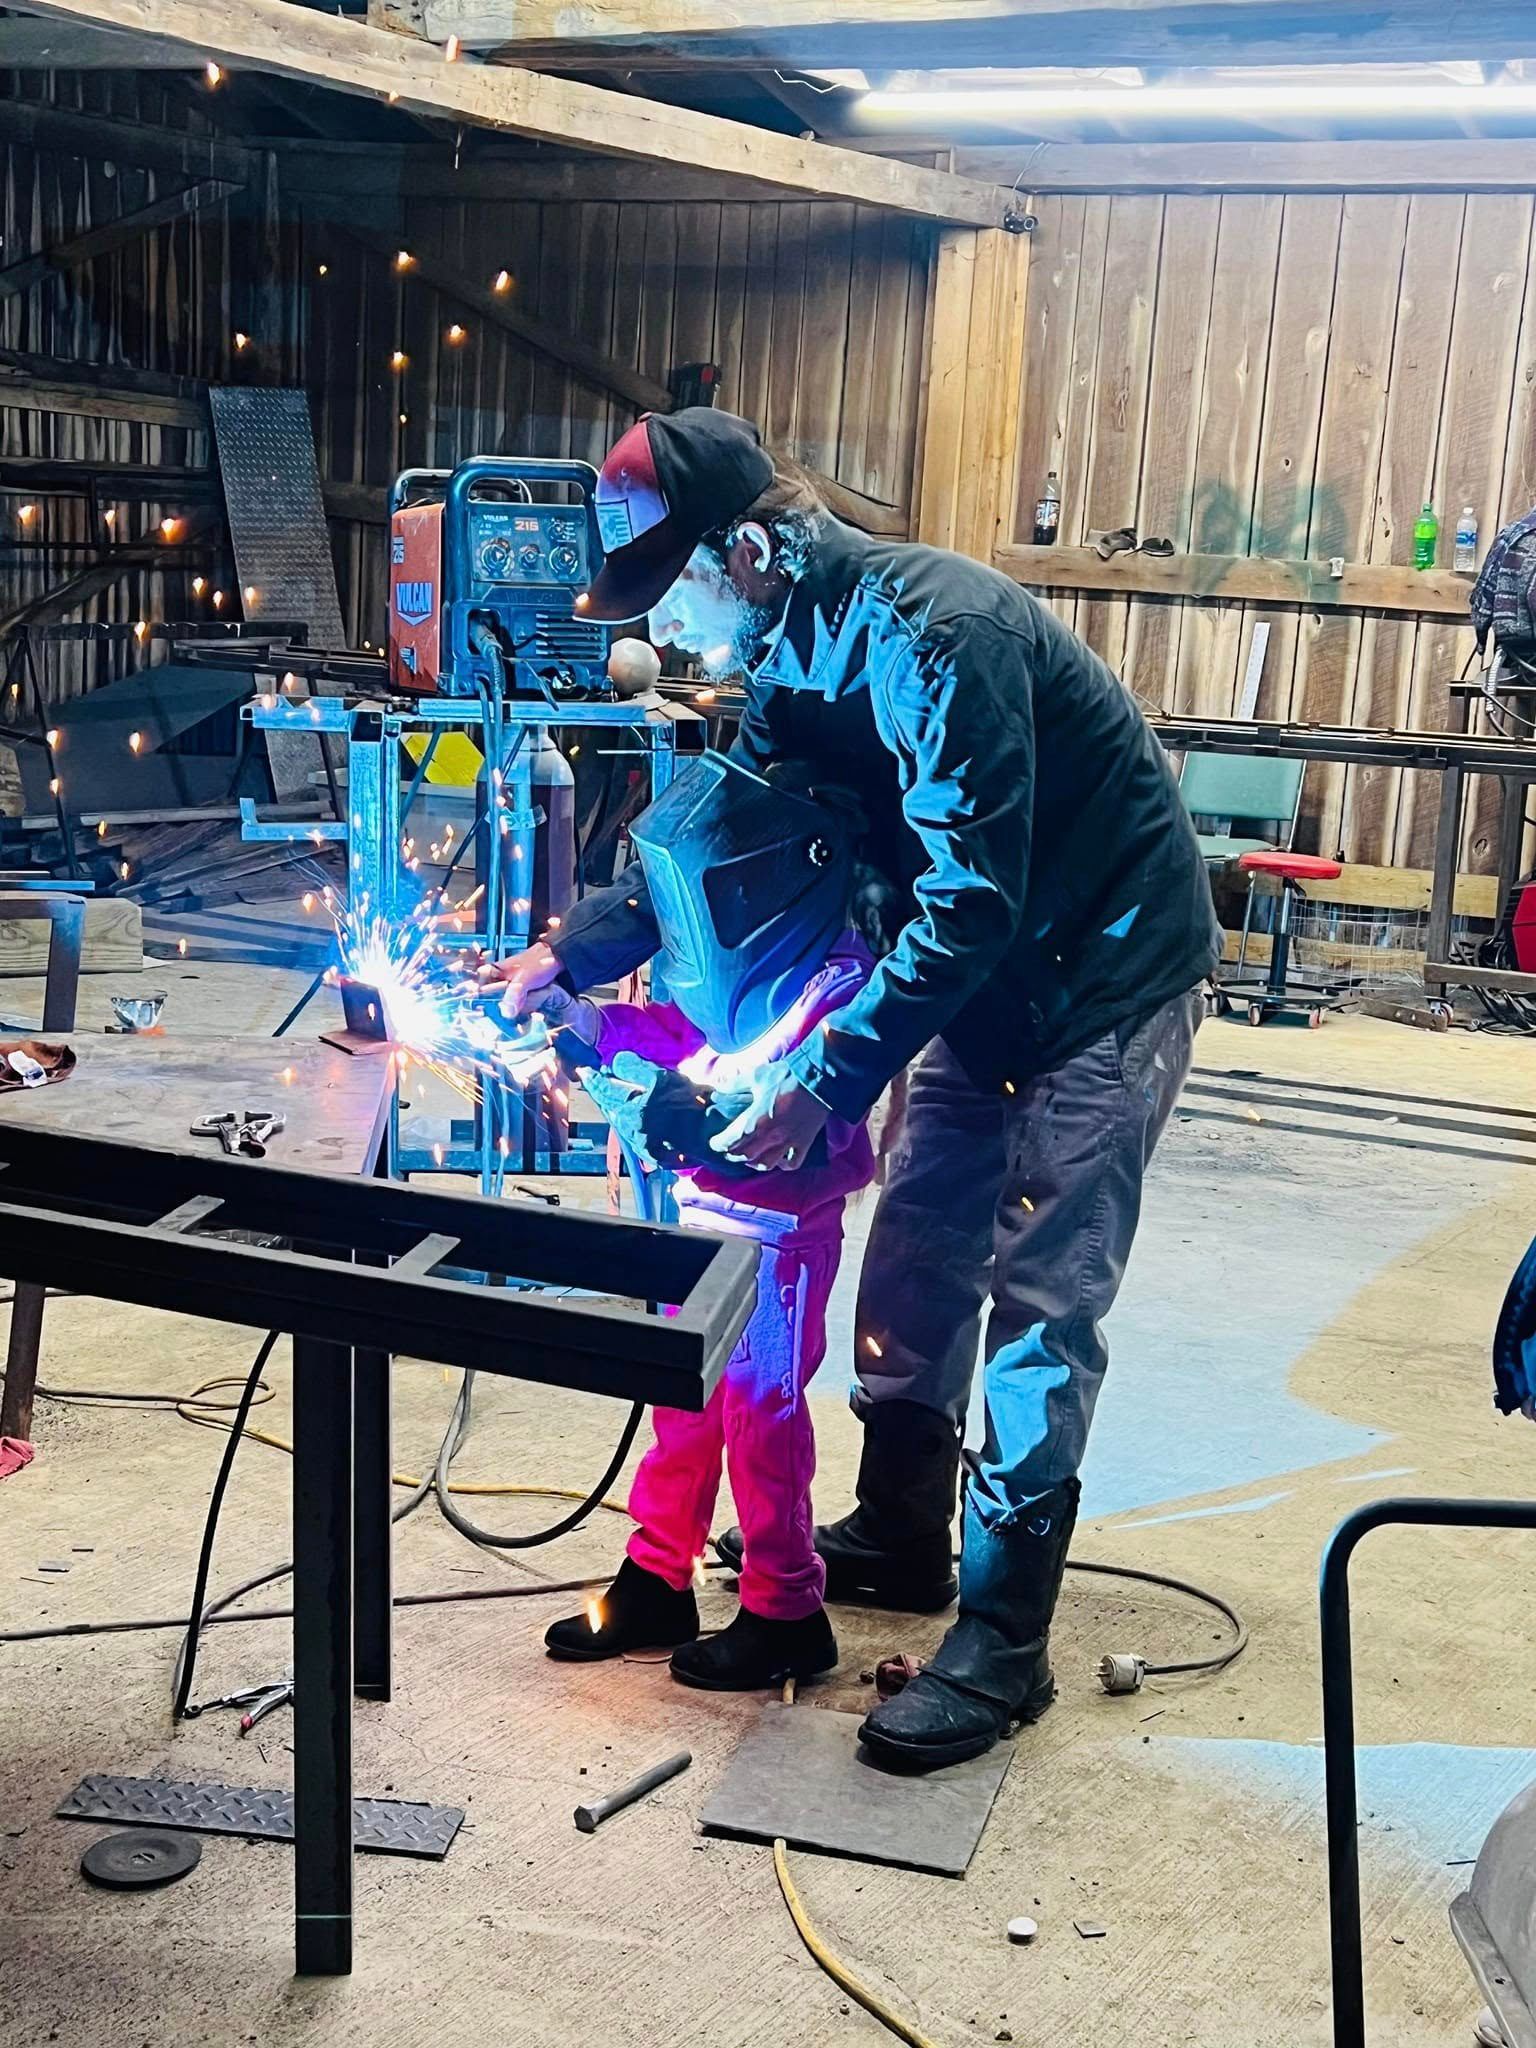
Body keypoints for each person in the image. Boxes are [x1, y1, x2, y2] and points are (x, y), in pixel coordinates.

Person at [497, 407, 1220, 1767]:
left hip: (1105, 976)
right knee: (917, 1257)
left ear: (751, 548)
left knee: (1041, 1301)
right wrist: (570, 952)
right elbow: (727, 852)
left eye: (677, 590)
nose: (675, 630)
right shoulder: (787, 658)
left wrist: (824, 1079)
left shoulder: (936, 637)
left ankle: (1004, 1644)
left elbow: (970, 899)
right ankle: (900, 1526)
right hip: (978, 978)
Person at [541, 753, 889, 1690]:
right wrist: (586, 1025)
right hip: (700, 1223)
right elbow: (681, 1036)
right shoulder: (731, 972)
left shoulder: (840, 986)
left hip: (780, 1238)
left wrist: (666, 1104)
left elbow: (777, 1111)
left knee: (760, 1417)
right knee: (683, 1400)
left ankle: (786, 1609)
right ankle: (659, 1577)